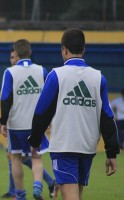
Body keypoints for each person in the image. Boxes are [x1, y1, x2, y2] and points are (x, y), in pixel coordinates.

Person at [28, 27, 120, 200]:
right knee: (77, 192)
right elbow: (107, 117)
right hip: (87, 146)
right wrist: (111, 152)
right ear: (83, 49)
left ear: (64, 49)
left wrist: (34, 141)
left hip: (64, 145)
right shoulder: (98, 77)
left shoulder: (56, 75)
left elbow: (41, 112)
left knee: (70, 195)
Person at [0, 49, 57, 199]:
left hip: (16, 124)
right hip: (35, 124)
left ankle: (19, 194)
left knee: (16, 157)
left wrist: (3, 120)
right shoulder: (41, 71)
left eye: (12, 56)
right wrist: (48, 120)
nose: (11, 59)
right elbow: (47, 98)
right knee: (33, 156)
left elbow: (6, 99)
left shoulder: (11, 72)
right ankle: (42, 184)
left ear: (18, 56)